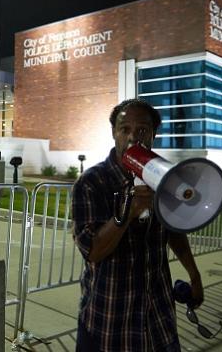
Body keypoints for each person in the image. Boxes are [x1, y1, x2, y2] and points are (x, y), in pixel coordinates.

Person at [72, 99, 204, 351]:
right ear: (114, 133)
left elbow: (174, 231)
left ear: (153, 134)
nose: (133, 137)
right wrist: (127, 213)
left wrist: (194, 275)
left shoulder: (165, 178)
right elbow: (93, 250)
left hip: (159, 322)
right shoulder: (92, 183)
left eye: (142, 130)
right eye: (125, 129)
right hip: (108, 324)